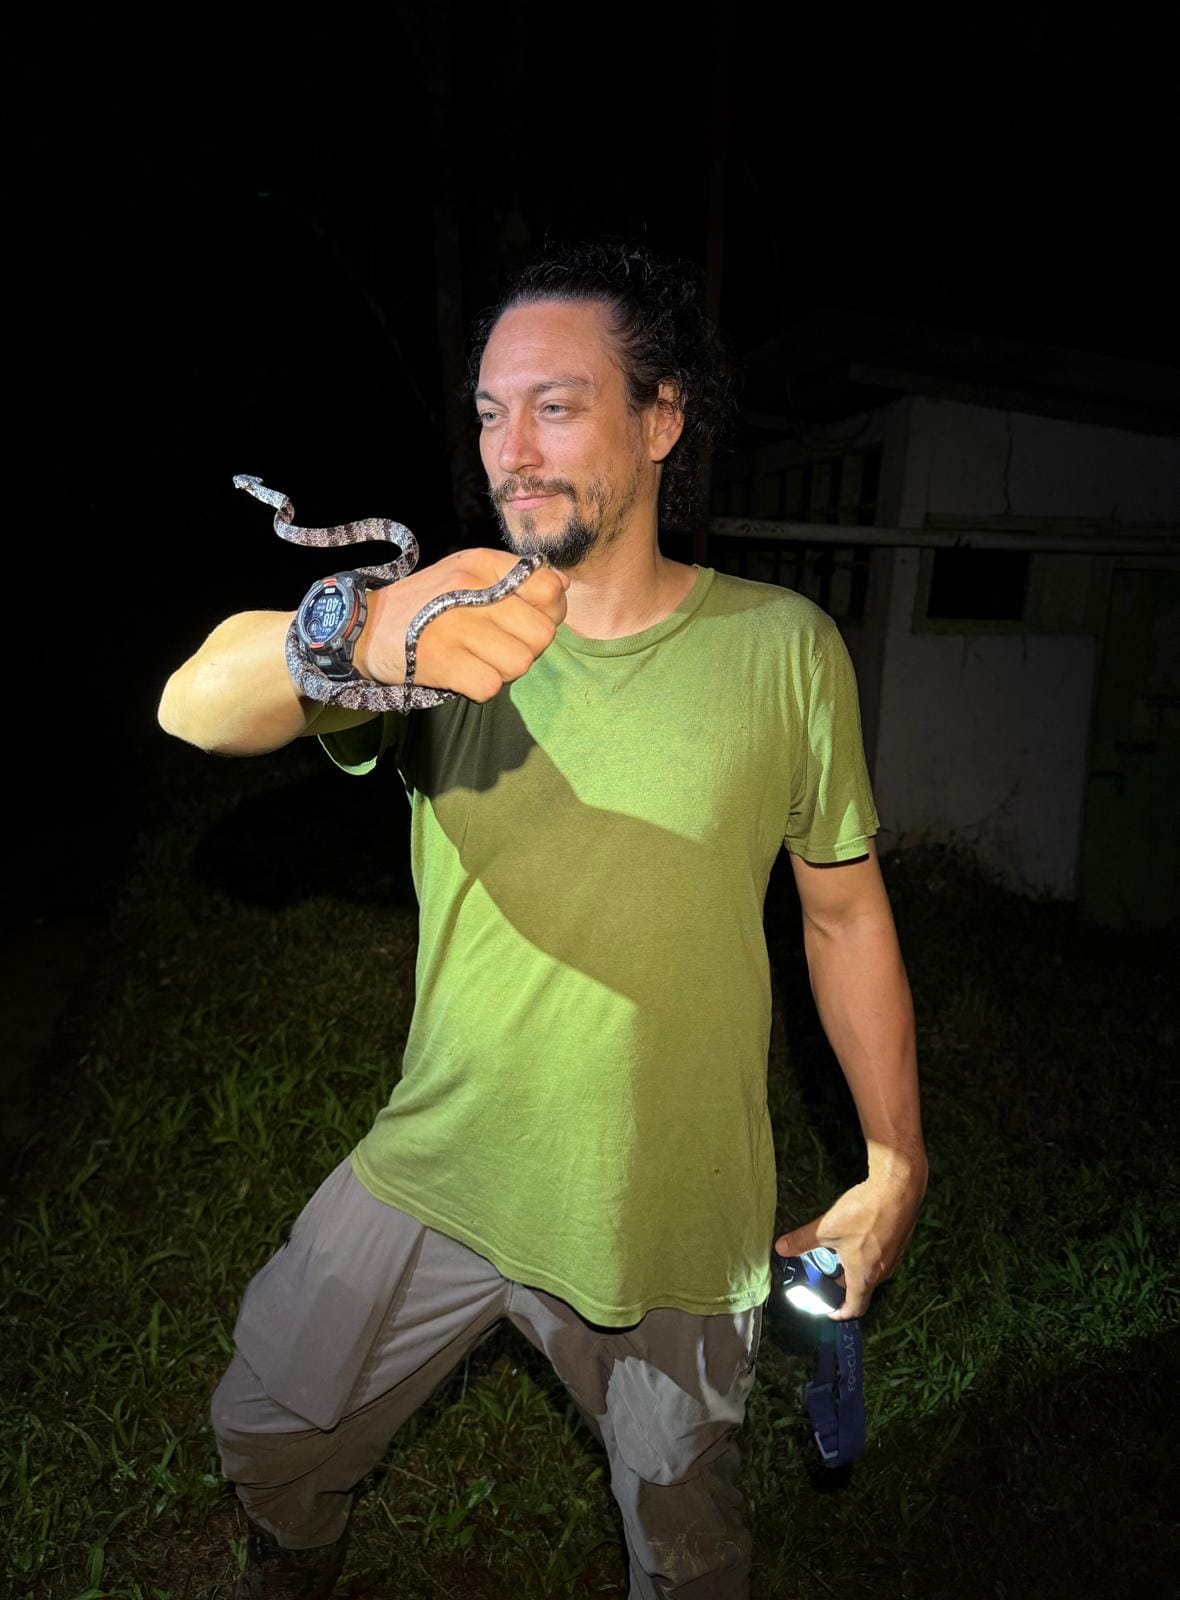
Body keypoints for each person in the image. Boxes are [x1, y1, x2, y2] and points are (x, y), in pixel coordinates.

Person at [158, 240, 927, 1600]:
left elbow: (845, 912)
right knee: (267, 1428)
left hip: (669, 1209)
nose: (510, 447)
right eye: (488, 410)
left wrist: (893, 1161)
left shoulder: (784, 647)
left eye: (557, 404)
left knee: (686, 1550)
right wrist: (360, 629)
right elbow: (196, 704)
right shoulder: (439, 633)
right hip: (444, 1161)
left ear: (663, 419)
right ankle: (293, 1560)